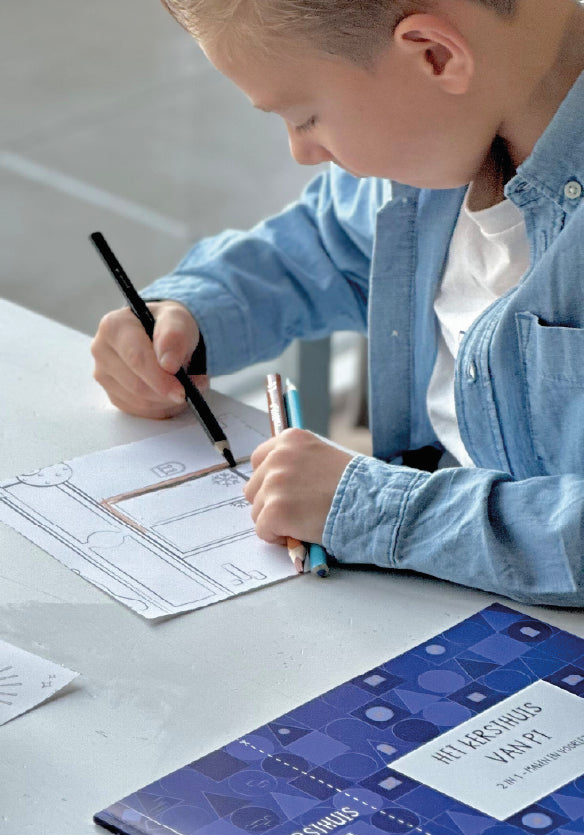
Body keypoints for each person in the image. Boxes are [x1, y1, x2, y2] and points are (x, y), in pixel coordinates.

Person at [91, 0, 583, 607]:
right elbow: (323, 247)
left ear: (434, 54)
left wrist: (379, 510)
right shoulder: (437, 143)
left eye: (306, 117)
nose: (301, 151)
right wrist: (193, 314)